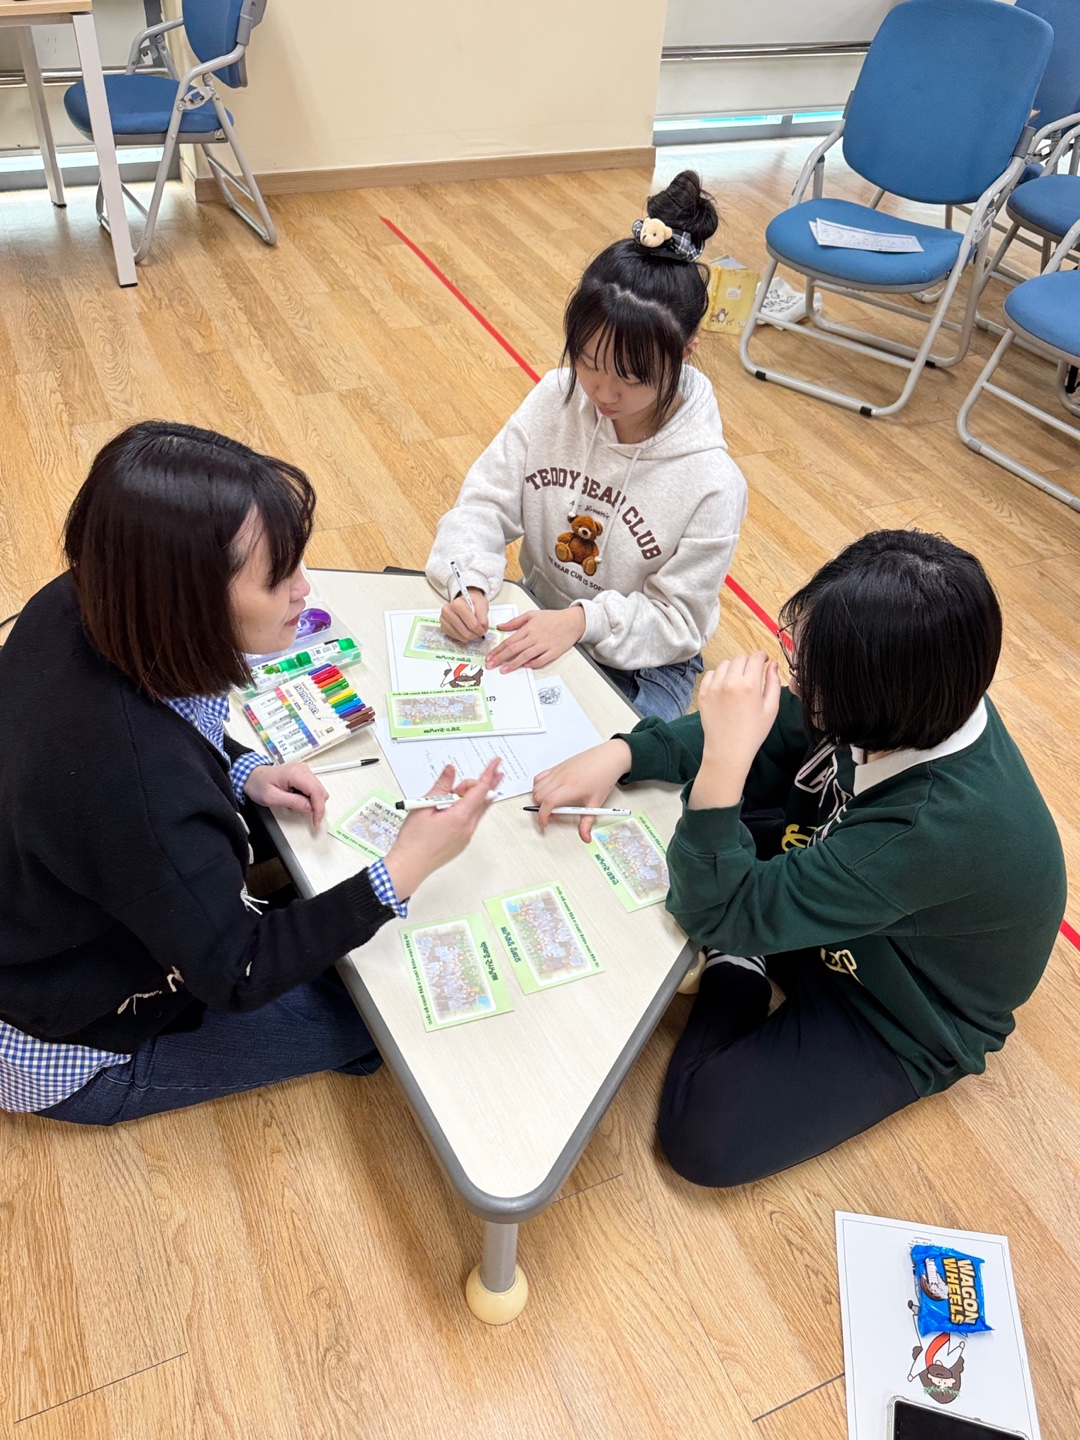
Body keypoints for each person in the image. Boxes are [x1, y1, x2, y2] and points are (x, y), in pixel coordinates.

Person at [0, 421, 501, 1125]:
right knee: (380, 1020)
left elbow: (163, 736)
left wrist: (241, 769)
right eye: (278, 577)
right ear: (188, 602)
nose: (304, 589)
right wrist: (403, 868)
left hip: (42, 919)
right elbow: (237, 971)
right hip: (68, 1043)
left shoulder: (81, 598)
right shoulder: (146, 795)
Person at [531, 530, 1066, 1186]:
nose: (793, 675)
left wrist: (724, 761)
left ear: (871, 704)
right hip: (858, 886)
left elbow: (717, 908)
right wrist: (624, 752)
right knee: (697, 820)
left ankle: (741, 966)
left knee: (702, 1137)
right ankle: (752, 922)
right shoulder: (920, 695)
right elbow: (787, 725)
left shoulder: (929, 829)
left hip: (898, 1004)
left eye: (810, 671)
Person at [426, 170, 747, 722]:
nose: (603, 392)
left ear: (685, 352)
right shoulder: (556, 397)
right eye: (588, 362)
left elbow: (679, 621)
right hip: (537, 613)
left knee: (592, 759)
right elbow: (483, 506)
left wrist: (582, 622)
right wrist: (469, 583)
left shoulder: (712, 483)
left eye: (631, 377)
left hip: (643, 665)